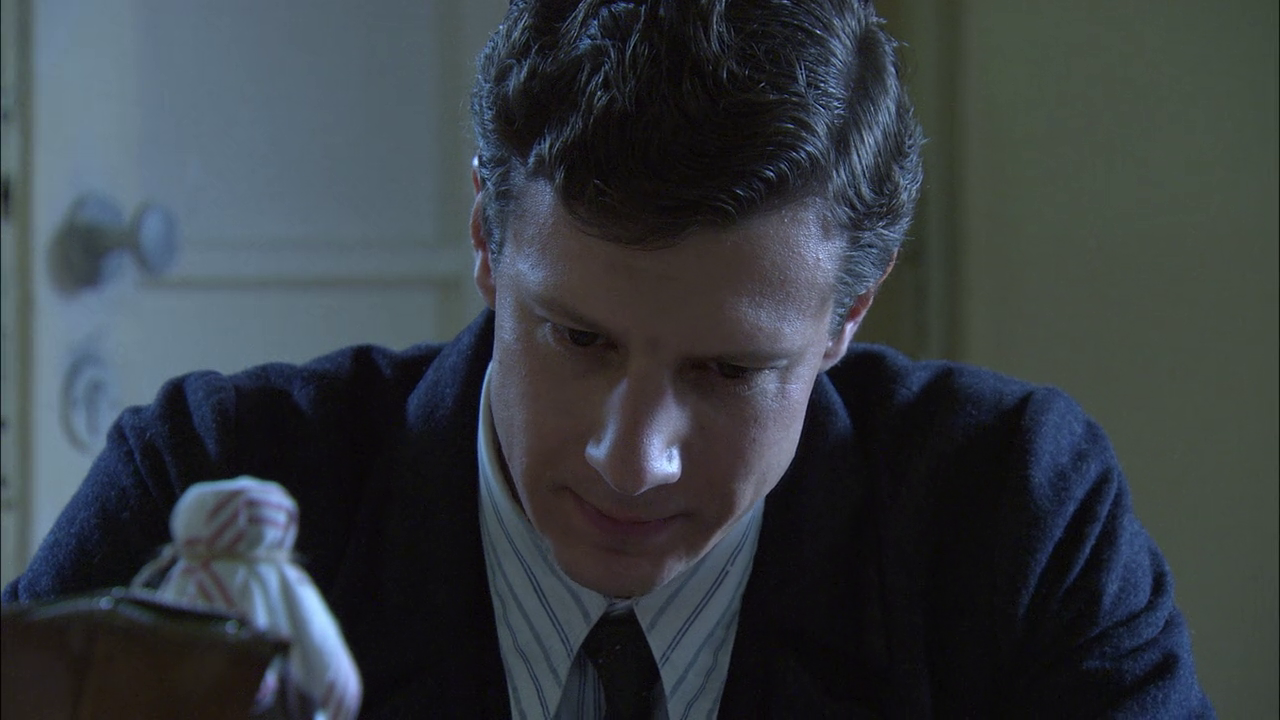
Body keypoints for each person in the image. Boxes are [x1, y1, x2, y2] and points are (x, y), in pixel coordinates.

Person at [3, 0, 1214, 717]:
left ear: (848, 314)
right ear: (487, 241)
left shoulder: (1012, 514)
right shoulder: (212, 475)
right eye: (578, 339)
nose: (631, 462)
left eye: (728, 372)